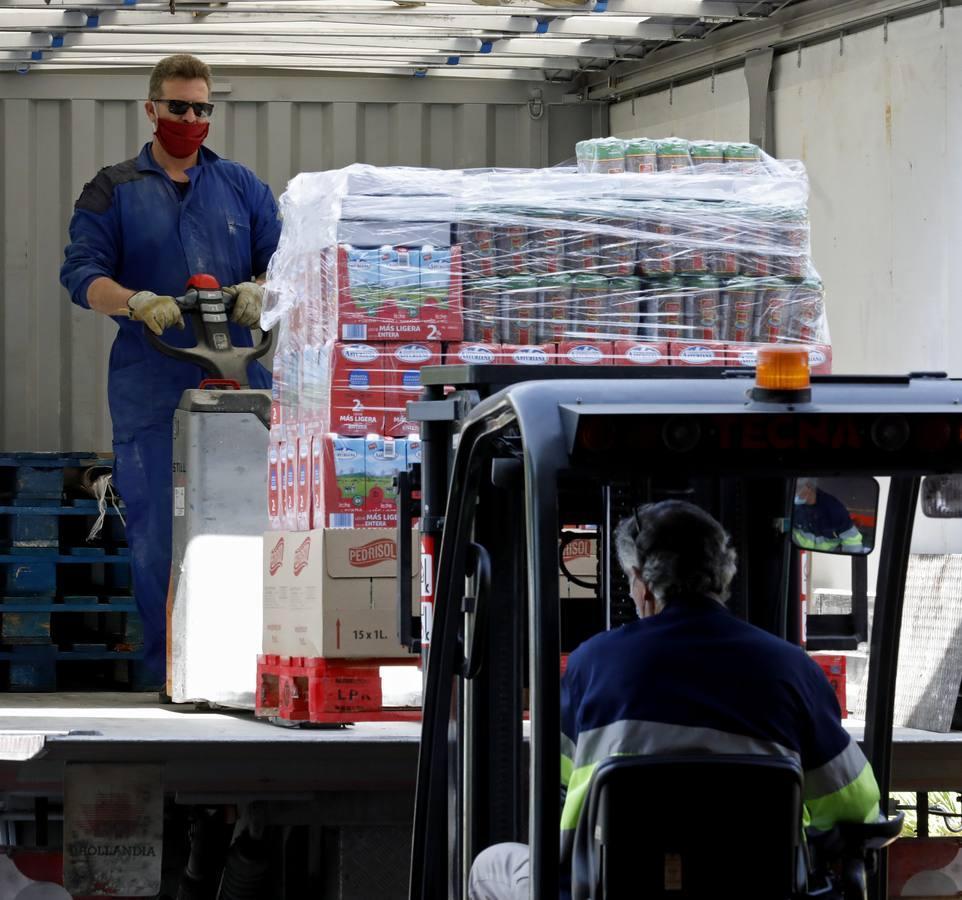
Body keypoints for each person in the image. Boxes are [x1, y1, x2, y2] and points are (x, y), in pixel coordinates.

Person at [468, 500, 880, 900]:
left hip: (610, 888)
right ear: (723, 574)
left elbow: (561, 798)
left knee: (490, 866)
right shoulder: (793, 669)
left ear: (641, 583)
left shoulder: (591, 664)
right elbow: (855, 807)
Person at [59, 54, 281, 685]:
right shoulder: (114, 188)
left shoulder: (241, 187)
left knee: (250, 527)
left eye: (202, 108)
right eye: (179, 107)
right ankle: (172, 677)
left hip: (242, 385)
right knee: (162, 534)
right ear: (152, 108)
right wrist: (133, 301)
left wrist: (262, 290)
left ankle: (250, 674)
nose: (191, 119)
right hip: (153, 390)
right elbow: (82, 274)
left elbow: (284, 259)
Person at [793, 477, 866, 553]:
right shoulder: (793, 507)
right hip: (798, 551)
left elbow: (852, 541)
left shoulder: (835, 509)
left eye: (797, 489)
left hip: (826, 555)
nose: (794, 494)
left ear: (809, 486)